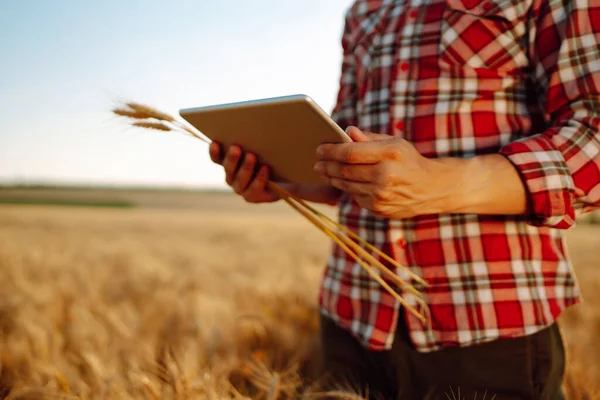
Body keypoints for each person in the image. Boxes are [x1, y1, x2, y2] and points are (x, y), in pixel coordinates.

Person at [209, 0, 600, 398]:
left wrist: (435, 184)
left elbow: (594, 136)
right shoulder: (363, 10)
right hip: (350, 320)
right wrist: (281, 182)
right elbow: (343, 153)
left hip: (490, 326)